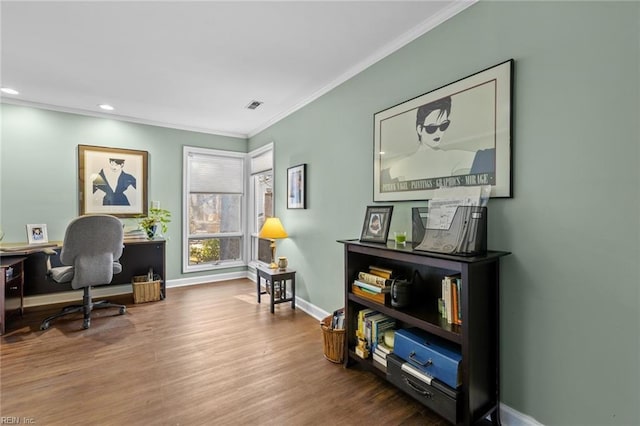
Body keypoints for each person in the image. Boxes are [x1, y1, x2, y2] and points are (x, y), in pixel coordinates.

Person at [385, 96, 475, 182]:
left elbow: (483, 157)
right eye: (431, 128)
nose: (438, 132)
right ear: (419, 129)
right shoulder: (400, 166)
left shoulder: (450, 157)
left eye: (443, 125)